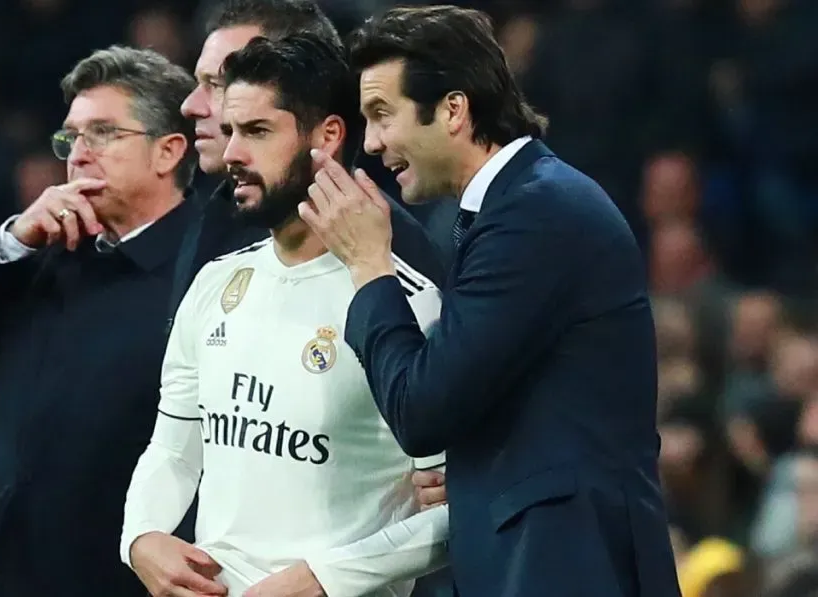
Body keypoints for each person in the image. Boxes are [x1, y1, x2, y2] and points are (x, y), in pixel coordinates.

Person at [300, 6, 681, 597]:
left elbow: (420, 411)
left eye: (381, 115)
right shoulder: (521, 205)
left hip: (565, 567)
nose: (371, 144)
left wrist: (370, 266)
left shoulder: (533, 214)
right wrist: (474, 470)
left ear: (453, 110)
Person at [121, 34, 450, 597]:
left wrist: (325, 578)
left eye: (257, 132)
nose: (231, 155)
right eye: (230, 132)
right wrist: (141, 536)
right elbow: (174, 448)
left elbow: (454, 507)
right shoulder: (215, 283)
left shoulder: (412, 304)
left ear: (327, 136)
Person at [0, 46, 197, 597]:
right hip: (2, 574)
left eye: (103, 133)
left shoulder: (208, 273)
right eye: (71, 138)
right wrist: (8, 242)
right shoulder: (41, 258)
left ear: (168, 152)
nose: (78, 155)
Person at [176, 0, 449, 520]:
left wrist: (325, 576)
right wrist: (144, 536)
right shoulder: (216, 217)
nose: (196, 104)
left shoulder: (397, 253)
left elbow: (431, 484)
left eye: (218, 82)